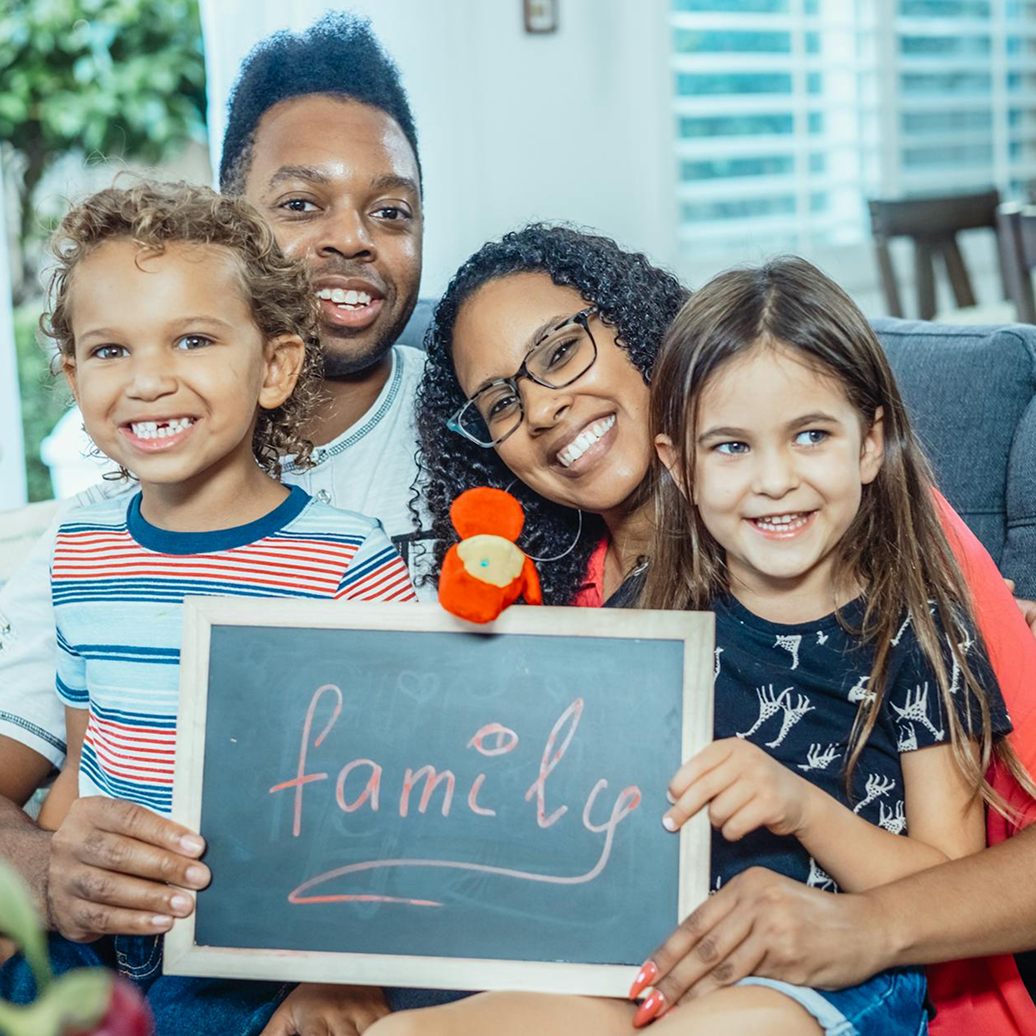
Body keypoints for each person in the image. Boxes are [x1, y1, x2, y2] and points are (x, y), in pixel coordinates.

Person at [400, 225, 1036, 1034]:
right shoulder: (611, 613)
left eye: (561, 351)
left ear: (869, 444)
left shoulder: (910, 589)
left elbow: (951, 864)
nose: (542, 409)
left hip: (848, 981)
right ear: (683, 461)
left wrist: (808, 825)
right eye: (498, 402)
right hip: (656, 961)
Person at [0, 12, 433, 1034]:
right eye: (110, 351)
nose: (150, 377)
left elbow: (405, 791)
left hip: (252, 945)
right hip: (93, 938)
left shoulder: (357, 544)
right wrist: (50, 876)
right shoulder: (85, 546)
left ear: (270, 359)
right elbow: (76, 753)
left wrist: (343, 972)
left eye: (192, 339)